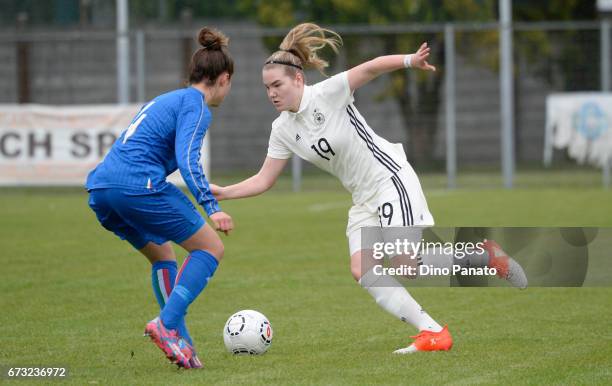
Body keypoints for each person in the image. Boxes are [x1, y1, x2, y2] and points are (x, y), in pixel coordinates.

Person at [211, 23, 528, 354]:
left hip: (390, 180)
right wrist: (224, 192)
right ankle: (433, 332)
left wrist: (410, 61)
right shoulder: (282, 129)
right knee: (363, 268)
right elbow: (264, 179)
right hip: (363, 198)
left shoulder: (328, 94)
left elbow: (372, 67)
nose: (272, 93)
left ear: (299, 79)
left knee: (407, 265)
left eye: (277, 85)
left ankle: (486, 257)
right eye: (266, 88)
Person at [86, 27, 234, 369]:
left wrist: (201, 188)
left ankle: (180, 342)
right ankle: (166, 325)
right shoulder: (196, 106)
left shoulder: (166, 98)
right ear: (224, 78)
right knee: (211, 248)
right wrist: (213, 208)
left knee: (163, 256)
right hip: (138, 186)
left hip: (102, 189)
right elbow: (187, 159)